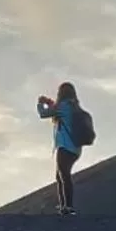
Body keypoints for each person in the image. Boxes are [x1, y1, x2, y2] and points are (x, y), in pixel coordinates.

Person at [37, 82, 92, 216]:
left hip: (65, 147)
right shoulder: (73, 107)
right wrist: (51, 102)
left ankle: (67, 207)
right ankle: (64, 206)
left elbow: (43, 114)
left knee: (63, 175)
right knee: (61, 175)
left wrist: (40, 103)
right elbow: (57, 110)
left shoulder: (63, 106)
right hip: (76, 148)